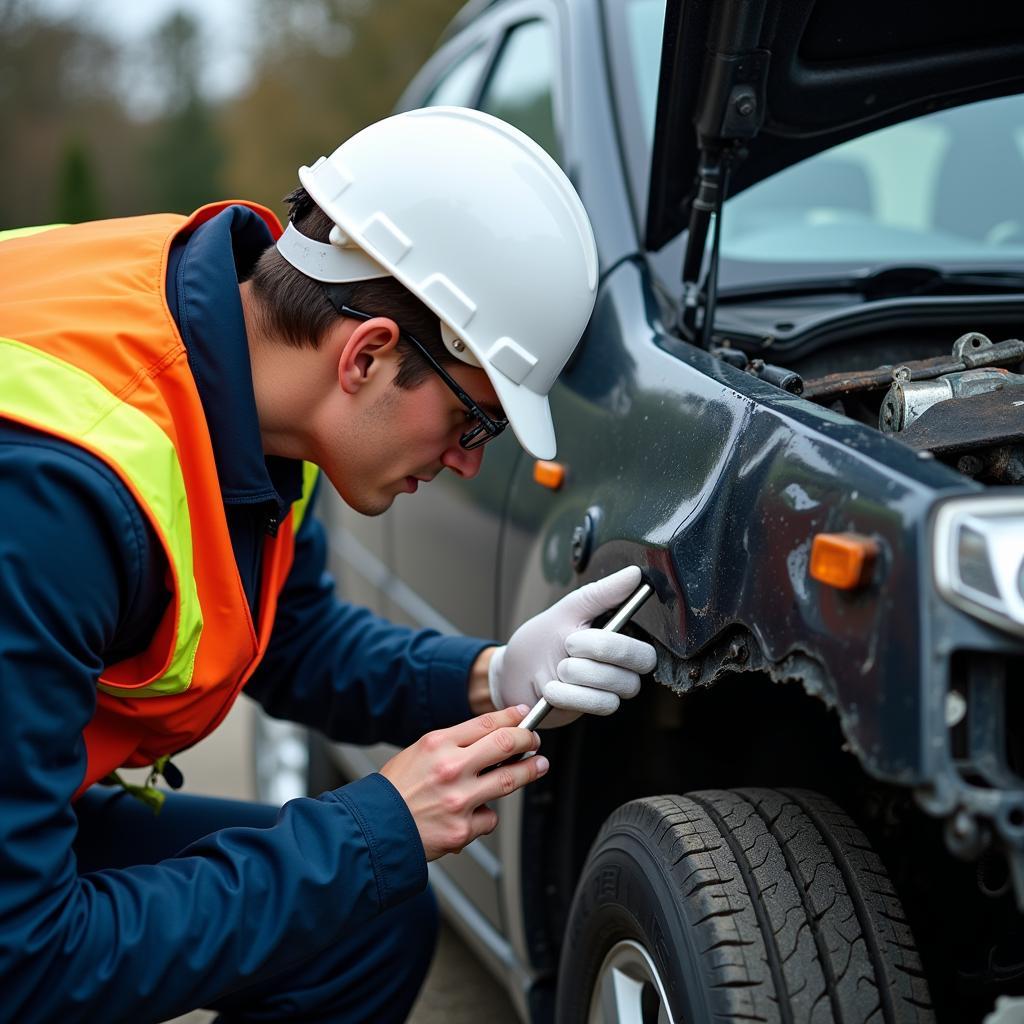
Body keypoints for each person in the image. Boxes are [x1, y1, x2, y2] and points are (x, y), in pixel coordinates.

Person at [0, 108, 656, 1023]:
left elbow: (288, 637)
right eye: (474, 422)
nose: (468, 459)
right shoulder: (57, 499)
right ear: (369, 354)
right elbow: (23, 963)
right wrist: (375, 826)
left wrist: (490, 673)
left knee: (364, 921)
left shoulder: (232, 361)